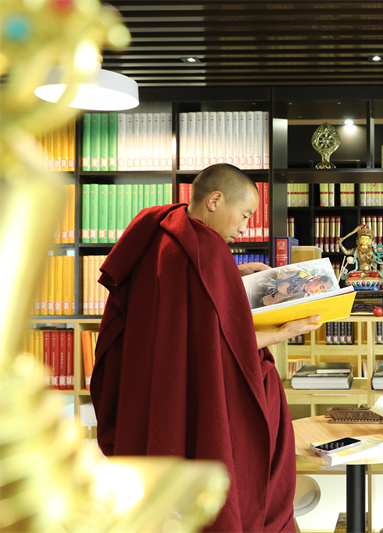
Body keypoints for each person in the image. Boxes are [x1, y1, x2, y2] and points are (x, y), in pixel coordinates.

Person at [90, 163, 322, 533]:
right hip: (200, 394)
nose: (245, 227)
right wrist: (283, 332)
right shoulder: (208, 250)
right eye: (244, 215)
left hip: (153, 389)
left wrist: (232, 275)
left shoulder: (160, 234)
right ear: (215, 200)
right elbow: (218, 348)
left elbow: (188, 322)